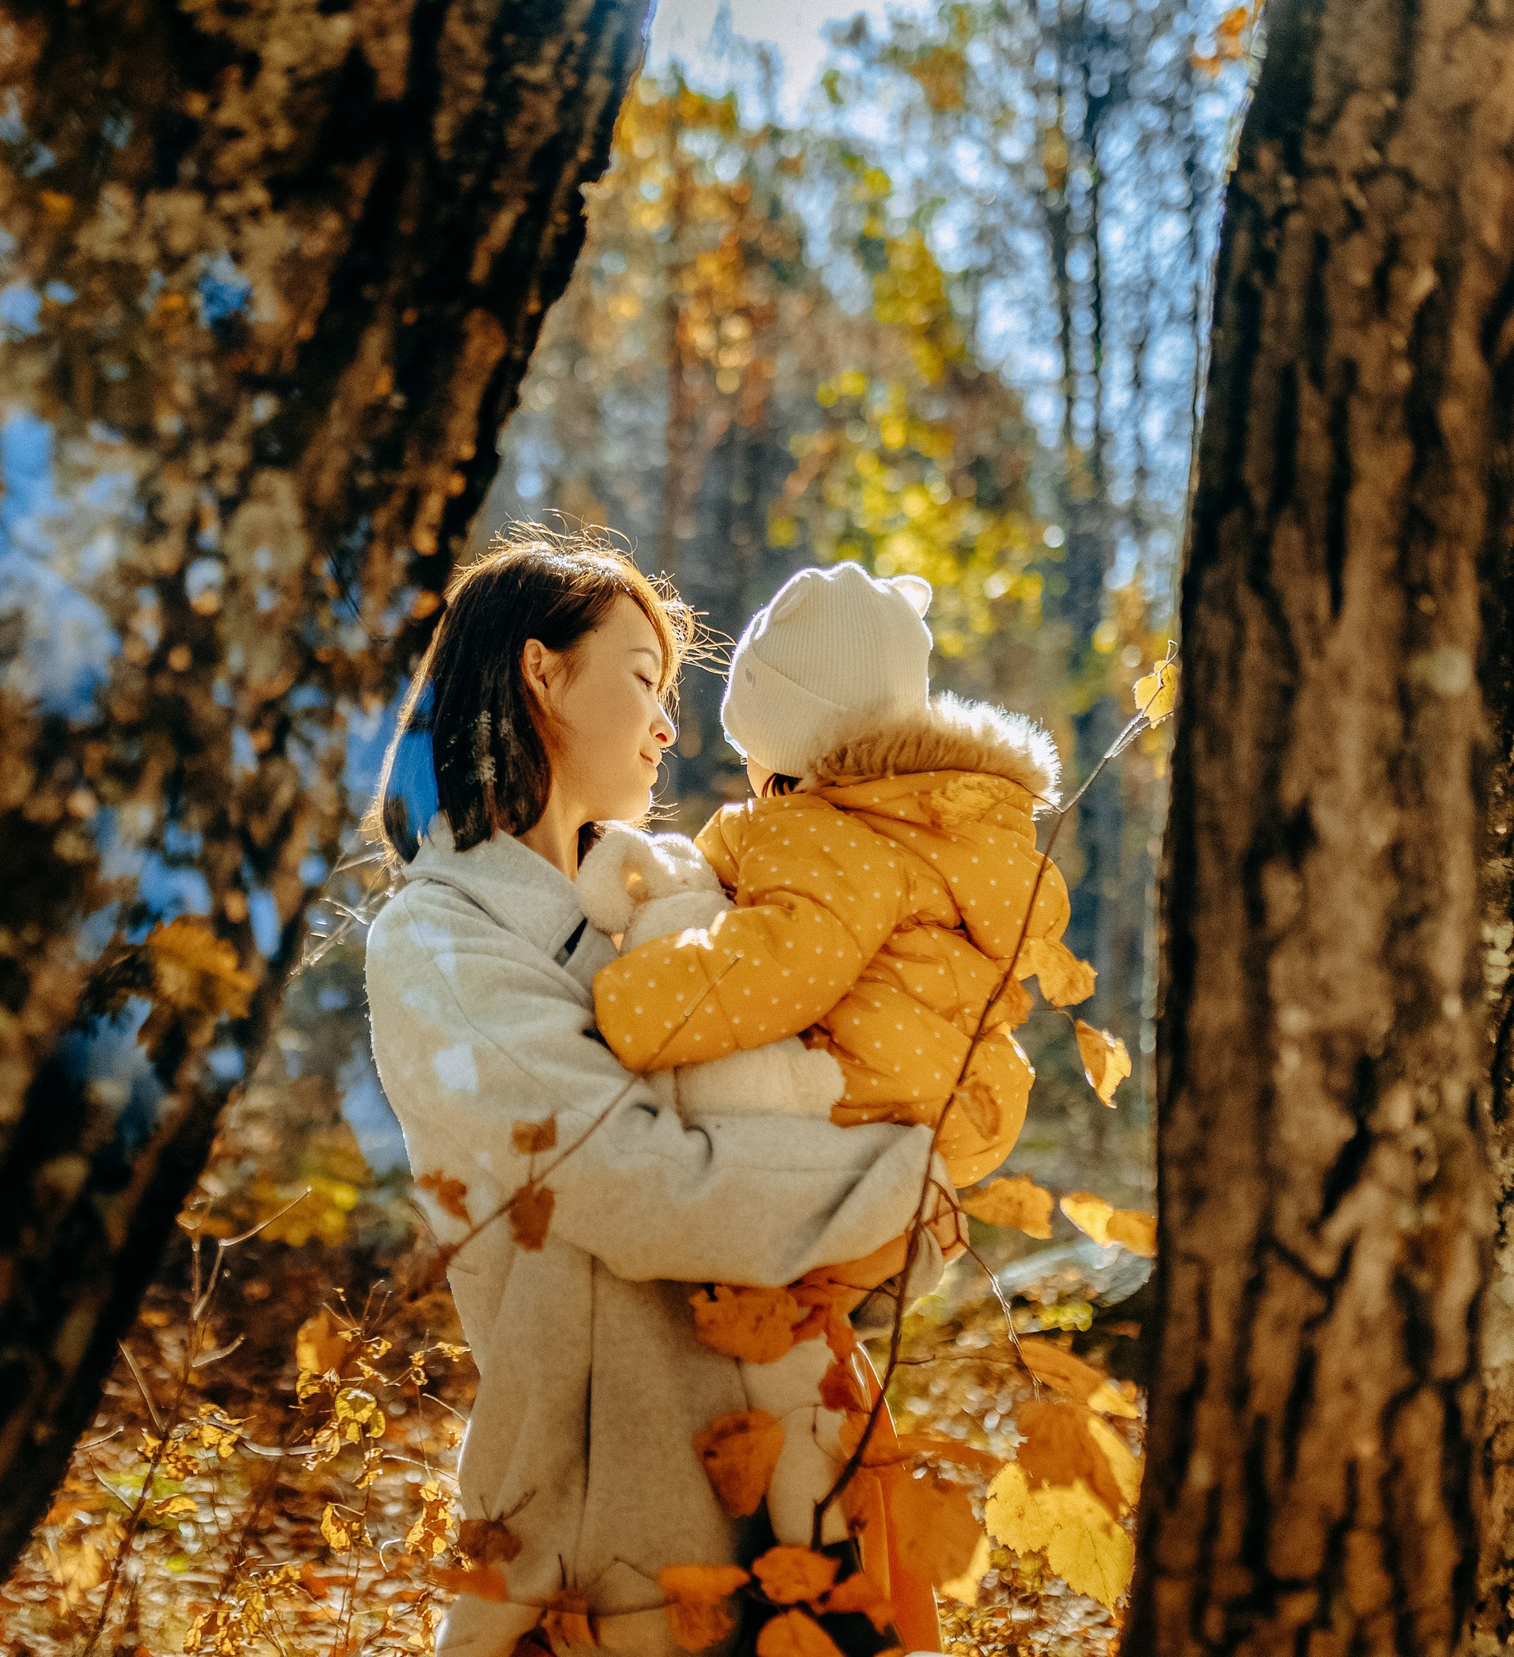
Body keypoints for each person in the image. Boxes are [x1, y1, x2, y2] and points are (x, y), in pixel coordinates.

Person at [363, 530, 936, 1655]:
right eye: (642, 678)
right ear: (540, 672)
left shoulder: (666, 913)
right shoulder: (440, 938)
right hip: (609, 1550)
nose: (671, 725)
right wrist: (900, 1179)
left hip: (792, 1499)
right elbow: (629, 1180)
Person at [592, 560, 1093, 1194]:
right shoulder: (927, 823)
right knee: (846, 1275)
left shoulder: (820, 830)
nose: (748, 770)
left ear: (789, 752)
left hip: (854, 1089)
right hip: (951, 1101)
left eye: (750, 748)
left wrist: (619, 1006)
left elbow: (784, 958)